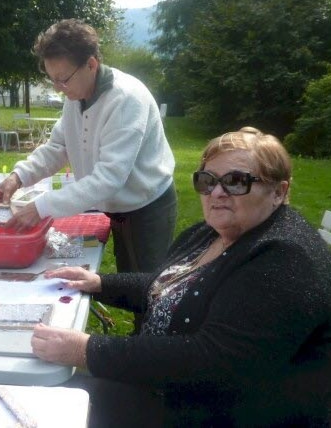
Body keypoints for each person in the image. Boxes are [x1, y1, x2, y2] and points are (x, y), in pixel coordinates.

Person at [31, 128, 331, 426]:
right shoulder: (214, 232)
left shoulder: (284, 258)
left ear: (278, 192)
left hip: (212, 413)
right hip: (170, 391)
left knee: (41, 403)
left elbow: (213, 363)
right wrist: (100, 283)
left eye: (236, 181)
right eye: (207, 180)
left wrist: (85, 349)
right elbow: (173, 287)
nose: (216, 192)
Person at [0, 18, 177, 277]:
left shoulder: (125, 100)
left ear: (91, 64)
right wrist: (19, 176)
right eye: (52, 80)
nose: (58, 89)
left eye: (63, 79)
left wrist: (41, 207)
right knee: (129, 278)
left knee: (148, 289)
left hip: (147, 205)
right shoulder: (76, 95)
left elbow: (109, 178)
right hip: (118, 205)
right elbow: (58, 146)